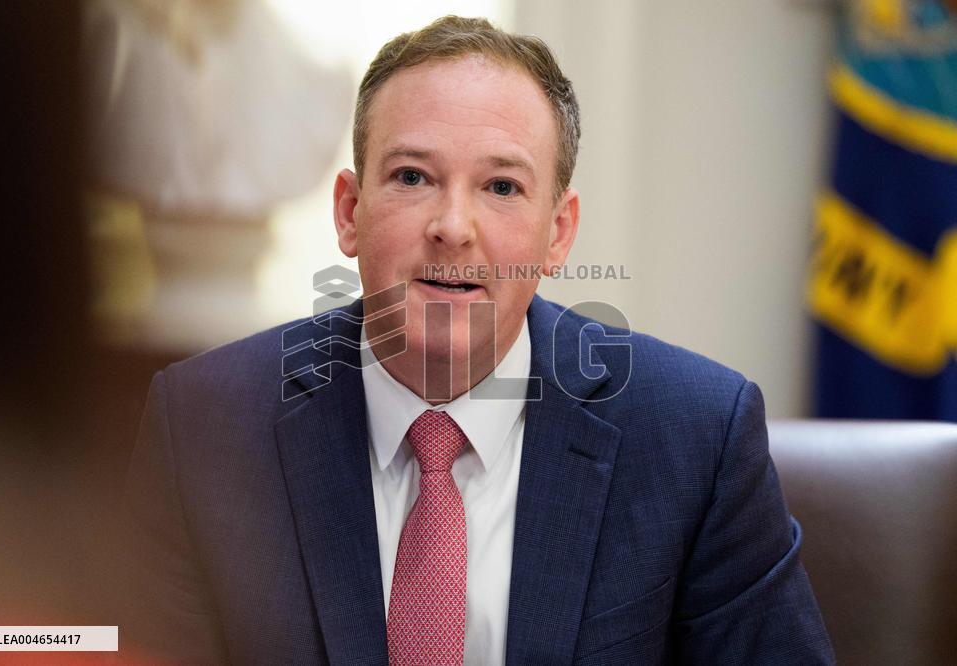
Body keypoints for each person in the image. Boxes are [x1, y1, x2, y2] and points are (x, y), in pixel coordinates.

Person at [126, 15, 834, 664]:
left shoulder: (695, 437)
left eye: (500, 187)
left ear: (558, 233)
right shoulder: (204, 428)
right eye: (412, 177)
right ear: (349, 211)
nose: (453, 226)